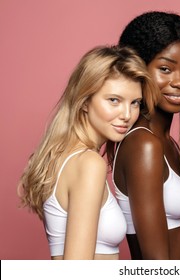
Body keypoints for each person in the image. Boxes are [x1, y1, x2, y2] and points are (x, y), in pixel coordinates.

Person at [18, 45, 159, 260]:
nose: (127, 114)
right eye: (114, 100)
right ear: (84, 101)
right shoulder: (89, 164)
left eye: (135, 103)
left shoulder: (63, 157)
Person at [110, 11, 180, 260]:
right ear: (138, 70)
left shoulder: (167, 142)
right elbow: (155, 264)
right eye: (165, 69)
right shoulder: (144, 144)